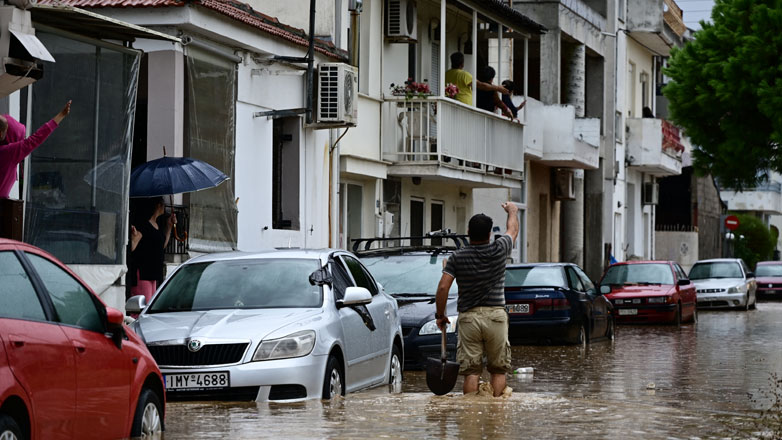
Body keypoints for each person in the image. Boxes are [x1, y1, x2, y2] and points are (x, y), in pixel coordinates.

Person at [434, 203, 519, 397]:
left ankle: (471, 412)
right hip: (496, 316)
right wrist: (513, 211)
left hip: (469, 319)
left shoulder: (457, 257)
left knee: (471, 372)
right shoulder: (500, 249)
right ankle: (497, 412)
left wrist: (440, 315)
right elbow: (513, 230)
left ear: (468, 232)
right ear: (489, 234)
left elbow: (443, 287)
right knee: (498, 370)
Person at [0, 101, 71, 198]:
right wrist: (61, 115)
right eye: (21, 137)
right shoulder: (8, 153)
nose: (23, 140)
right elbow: (35, 139)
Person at [129, 196, 176, 303]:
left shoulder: (157, 225)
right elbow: (133, 246)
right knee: (143, 305)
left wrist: (169, 227)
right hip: (143, 272)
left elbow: (161, 247)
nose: (165, 207)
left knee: (150, 304)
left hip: (153, 273)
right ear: (158, 205)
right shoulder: (143, 225)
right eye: (164, 204)